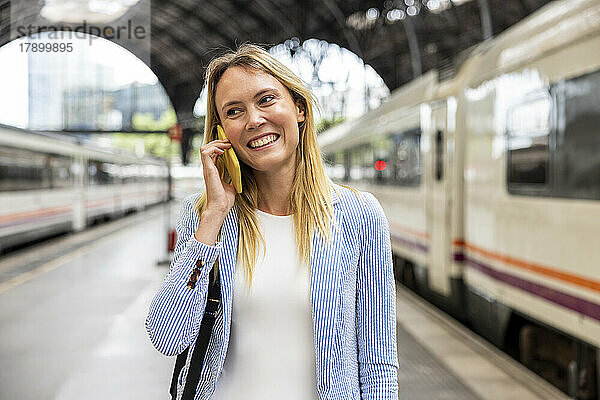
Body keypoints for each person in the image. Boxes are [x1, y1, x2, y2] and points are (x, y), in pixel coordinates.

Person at [145, 43, 398, 400]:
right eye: (234, 111)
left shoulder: (360, 216)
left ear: (298, 108)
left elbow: (378, 363)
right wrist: (214, 215)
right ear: (222, 134)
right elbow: (168, 335)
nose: (253, 120)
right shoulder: (204, 215)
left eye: (266, 100)